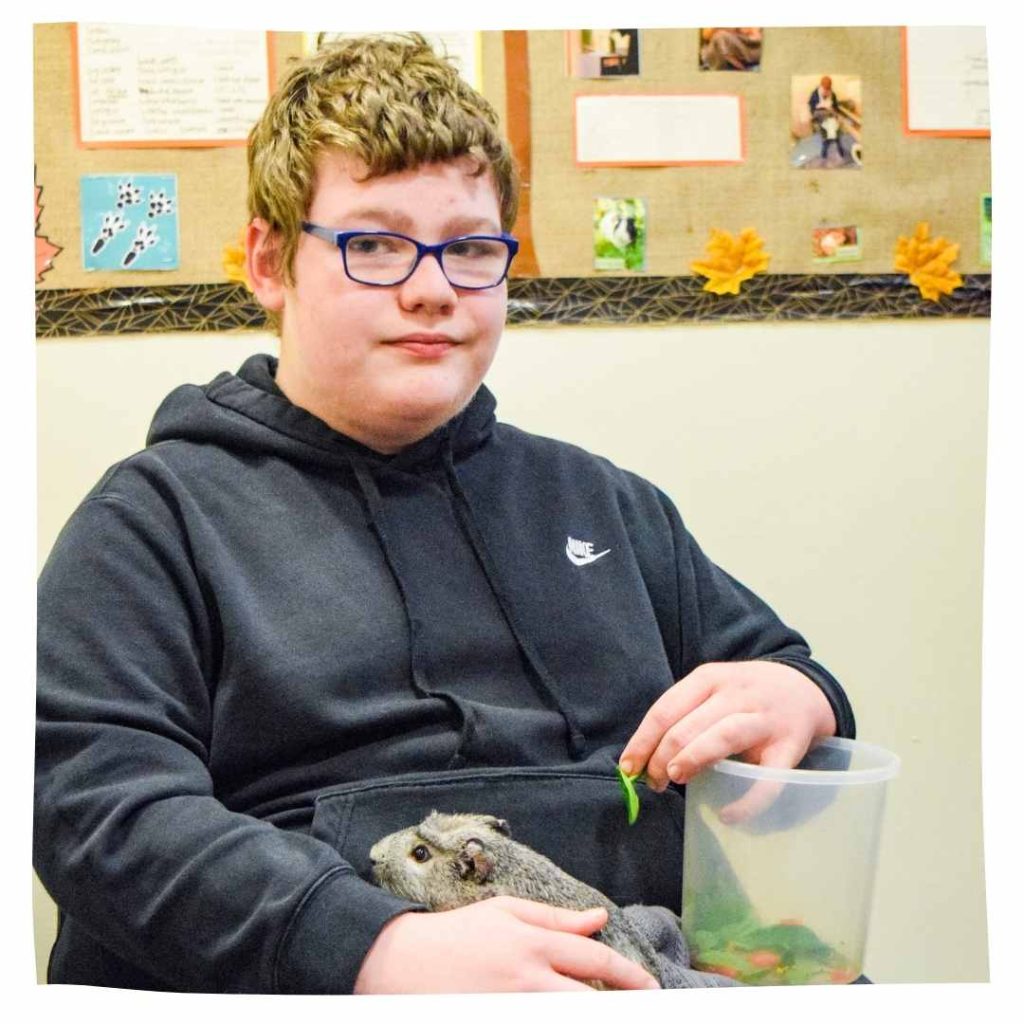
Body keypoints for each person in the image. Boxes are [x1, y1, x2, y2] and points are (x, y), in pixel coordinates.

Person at [34, 34, 855, 994]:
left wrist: (799, 696)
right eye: (375, 244)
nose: (431, 290)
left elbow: (787, 682)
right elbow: (97, 809)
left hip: (648, 970)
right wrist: (374, 947)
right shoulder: (152, 521)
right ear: (268, 262)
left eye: (468, 248)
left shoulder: (604, 503)